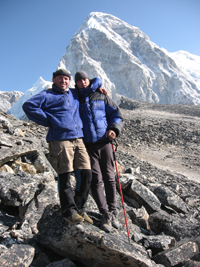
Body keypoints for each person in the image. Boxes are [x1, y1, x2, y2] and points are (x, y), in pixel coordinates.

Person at [22, 69, 94, 225]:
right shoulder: (47, 95)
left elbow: (91, 87)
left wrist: (100, 87)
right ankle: (69, 212)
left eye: (67, 78)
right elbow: (28, 106)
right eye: (60, 78)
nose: (64, 81)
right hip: (60, 140)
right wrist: (50, 120)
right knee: (65, 175)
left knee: (87, 172)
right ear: (53, 80)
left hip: (78, 138)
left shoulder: (74, 93)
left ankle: (80, 208)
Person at [75, 70, 124, 232]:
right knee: (96, 180)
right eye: (79, 80)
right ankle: (104, 214)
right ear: (76, 83)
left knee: (110, 178)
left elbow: (116, 115)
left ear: (89, 80)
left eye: (85, 79)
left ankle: (113, 211)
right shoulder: (76, 98)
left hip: (105, 143)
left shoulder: (102, 96)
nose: (83, 82)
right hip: (88, 146)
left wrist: (114, 130)